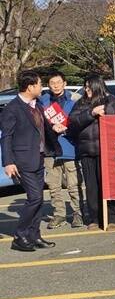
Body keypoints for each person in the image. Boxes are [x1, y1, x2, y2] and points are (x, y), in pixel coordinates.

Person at [1, 71, 64, 251]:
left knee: (38, 199)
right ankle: (20, 235)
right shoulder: (12, 108)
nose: (41, 87)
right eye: (39, 84)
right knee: (34, 198)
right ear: (30, 87)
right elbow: (6, 137)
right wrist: (8, 162)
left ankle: (34, 236)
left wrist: (54, 127)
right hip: (22, 160)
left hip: (38, 158)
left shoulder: (38, 105)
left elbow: (41, 127)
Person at [68, 75, 115, 231]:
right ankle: (94, 218)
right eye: (85, 87)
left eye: (89, 87)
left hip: (106, 150)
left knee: (109, 185)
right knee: (91, 187)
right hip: (86, 150)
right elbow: (73, 121)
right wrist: (91, 113)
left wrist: (103, 111)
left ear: (98, 86)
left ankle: (114, 218)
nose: (86, 90)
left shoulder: (110, 99)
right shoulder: (81, 102)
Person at [39, 71, 84, 230]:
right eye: (52, 83)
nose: (56, 85)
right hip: (50, 148)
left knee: (74, 184)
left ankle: (78, 213)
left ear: (65, 83)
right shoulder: (43, 100)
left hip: (70, 146)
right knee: (53, 185)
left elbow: (80, 120)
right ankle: (59, 214)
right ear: (48, 85)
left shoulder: (75, 99)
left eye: (59, 82)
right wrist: (51, 126)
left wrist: (68, 127)